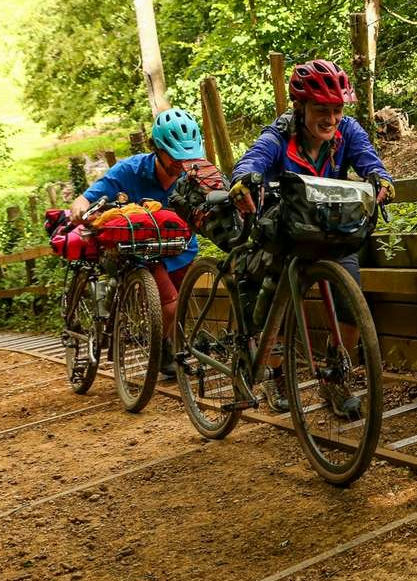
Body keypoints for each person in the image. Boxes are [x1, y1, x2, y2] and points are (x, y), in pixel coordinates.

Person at [229, 59, 394, 413]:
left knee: (350, 302)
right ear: (300, 107)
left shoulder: (347, 131)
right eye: (322, 110)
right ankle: (275, 375)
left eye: (336, 110)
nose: (331, 119)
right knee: (276, 300)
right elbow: (253, 159)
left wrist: (381, 179)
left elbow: (369, 160)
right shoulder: (279, 135)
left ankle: (335, 378)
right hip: (287, 232)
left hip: (331, 230)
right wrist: (244, 179)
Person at [69, 107, 206, 380]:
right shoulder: (130, 171)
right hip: (142, 253)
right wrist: (79, 207)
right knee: (170, 305)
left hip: (181, 248)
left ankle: (165, 344)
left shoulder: (196, 172)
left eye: (187, 156)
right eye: (175, 156)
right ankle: (158, 346)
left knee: (181, 304)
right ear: (157, 148)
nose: (182, 163)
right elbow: (87, 198)